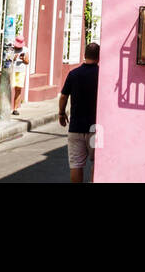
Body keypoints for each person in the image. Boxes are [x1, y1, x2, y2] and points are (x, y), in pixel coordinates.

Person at [58, 41, 99, 183]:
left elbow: (63, 96)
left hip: (75, 127)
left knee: (76, 165)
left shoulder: (73, 74)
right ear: (99, 57)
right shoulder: (102, 75)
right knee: (97, 163)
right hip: (96, 127)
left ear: (84, 55)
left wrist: (61, 113)